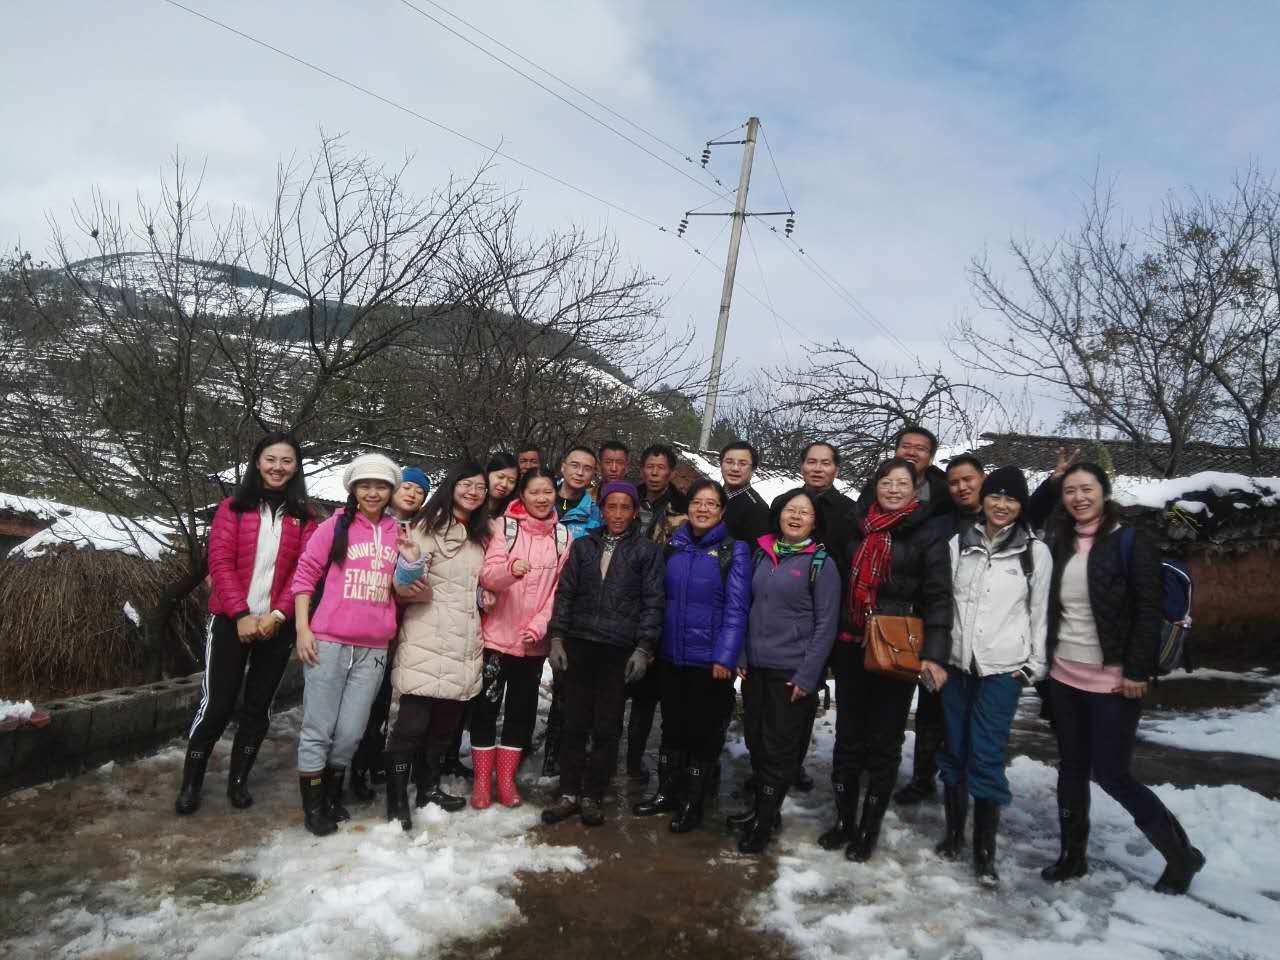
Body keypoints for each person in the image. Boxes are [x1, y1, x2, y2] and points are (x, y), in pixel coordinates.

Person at [1039, 463, 1205, 895]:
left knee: (1113, 774)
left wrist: (1136, 670)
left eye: (1086, 489)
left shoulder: (1131, 541)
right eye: (1070, 490)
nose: (1078, 497)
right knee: (1072, 769)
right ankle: (1072, 855)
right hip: (1064, 675)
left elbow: (1148, 611)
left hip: (1113, 681)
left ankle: (1181, 855)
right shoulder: (1058, 541)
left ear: (1105, 493)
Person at [177, 433, 317, 816]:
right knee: (217, 704)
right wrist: (240, 615)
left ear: (296, 467)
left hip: (276, 625)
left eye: (286, 461)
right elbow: (220, 562)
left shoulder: (305, 517)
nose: (278, 467)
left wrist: (278, 615)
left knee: (258, 707)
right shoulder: (233, 508)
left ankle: (238, 781)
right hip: (230, 621)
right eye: (271, 459)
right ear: (257, 462)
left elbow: (303, 572)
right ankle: (191, 782)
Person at [820, 457, 951, 862]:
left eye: (902, 483)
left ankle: (868, 828)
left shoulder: (928, 533)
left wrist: (935, 655)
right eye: (886, 482)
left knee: (885, 742)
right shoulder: (855, 526)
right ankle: (844, 820)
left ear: (915, 489)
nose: (893, 489)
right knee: (848, 738)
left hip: (898, 648)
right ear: (875, 486)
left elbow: (938, 597)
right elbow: (835, 583)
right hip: (852, 642)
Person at [924, 466, 1050, 885]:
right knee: (954, 748)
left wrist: (1033, 665)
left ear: (1021, 505)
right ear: (984, 499)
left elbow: (1040, 613)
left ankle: (984, 852)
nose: (1001, 505)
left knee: (987, 754)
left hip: (1002, 669)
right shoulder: (959, 543)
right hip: (957, 665)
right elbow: (941, 601)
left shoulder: (1034, 552)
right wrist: (936, 656)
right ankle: (953, 835)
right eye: (996, 496)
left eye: (1011, 499)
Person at [290, 453, 403, 837]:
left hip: (374, 647)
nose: (373, 493)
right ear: (353, 489)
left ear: (391, 491)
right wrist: (303, 629)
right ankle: (314, 805)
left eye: (381, 486)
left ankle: (332, 791)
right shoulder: (335, 526)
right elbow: (305, 576)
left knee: (351, 732)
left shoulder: (397, 533)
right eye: (365, 485)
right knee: (318, 727)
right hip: (329, 641)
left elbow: (405, 584)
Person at [541, 481, 665, 828]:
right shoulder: (584, 546)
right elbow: (566, 593)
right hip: (580, 644)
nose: (618, 514)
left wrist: (643, 647)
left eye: (626, 507)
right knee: (574, 722)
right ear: (602, 509)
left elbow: (653, 602)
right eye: (612, 506)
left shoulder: (647, 551)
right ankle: (569, 792)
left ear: (635, 511)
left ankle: (593, 795)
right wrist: (557, 637)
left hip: (618, 648)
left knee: (607, 726)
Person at [633, 479, 751, 833]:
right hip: (672, 655)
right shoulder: (674, 547)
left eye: (711, 503)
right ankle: (667, 792)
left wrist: (726, 657)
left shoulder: (734, 551)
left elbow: (737, 609)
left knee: (704, 732)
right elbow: (657, 600)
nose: (703, 509)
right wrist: (651, 645)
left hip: (710, 662)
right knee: (672, 727)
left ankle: (693, 802)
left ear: (722, 511)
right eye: (697, 502)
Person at [382, 462, 493, 831]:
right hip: (428, 634)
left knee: (445, 725)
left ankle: (427, 788)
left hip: (465, 637)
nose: (473, 492)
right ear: (452, 486)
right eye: (466, 484)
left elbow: (476, 582)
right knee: (412, 722)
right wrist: (415, 573)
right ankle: (397, 798)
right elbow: (404, 583)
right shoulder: (427, 527)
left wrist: (485, 594)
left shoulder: (480, 535)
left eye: (480, 487)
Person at [732, 488, 840, 853]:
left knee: (778, 749)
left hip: (791, 671)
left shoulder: (821, 563)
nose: (795, 517)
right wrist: (742, 653)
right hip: (756, 667)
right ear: (778, 514)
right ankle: (763, 810)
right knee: (756, 740)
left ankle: (763, 824)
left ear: (814, 522)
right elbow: (747, 607)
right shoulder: (763, 554)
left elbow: (826, 625)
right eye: (790, 510)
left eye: (804, 512)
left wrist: (809, 676)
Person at [472, 468, 573, 809]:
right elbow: (488, 575)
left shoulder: (564, 538)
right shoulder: (503, 527)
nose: (542, 498)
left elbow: (560, 592)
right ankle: (482, 781)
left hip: (532, 644)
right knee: (485, 708)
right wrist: (509, 572)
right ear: (522, 495)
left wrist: (540, 627)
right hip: (496, 639)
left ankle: (506, 781)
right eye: (534, 492)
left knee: (521, 712)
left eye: (548, 492)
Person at [896, 454, 987, 808]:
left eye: (968, 480)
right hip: (941, 630)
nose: (961, 487)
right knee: (931, 712)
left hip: (986, 640)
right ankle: (923, 778)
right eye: (954, 482)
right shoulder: (940, 523)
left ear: (982, 479)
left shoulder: (1001, 516)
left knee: (974, 719)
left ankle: (966, 782)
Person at [349, 467, 431, 802]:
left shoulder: (420, 531)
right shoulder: (370, 525)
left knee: (381, 700)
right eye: (407, 486)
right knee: (361, 702)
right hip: (362, 620)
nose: (412, 494)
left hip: (397, 624)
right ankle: (352, 767)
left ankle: (371, 760)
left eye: (419, 491)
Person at [790, 440, 858, 793]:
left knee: (807, 691)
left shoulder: (849, 512)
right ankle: (772, 763)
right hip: (787, 614)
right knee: (782, 693)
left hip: (827, 614)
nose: (817, 468)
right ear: (802, 466)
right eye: (811, 462)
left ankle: (794, 764)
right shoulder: (785, 503)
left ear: (836, 469)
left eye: (825, 463)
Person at [625, 443, 688, 782]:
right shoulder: (627, 499)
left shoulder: (682, 507)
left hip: (659, 599)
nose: (654, 473)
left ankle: (635, 761)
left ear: (670, 472)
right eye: (650, 466)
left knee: (646, 695)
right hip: (622, 600)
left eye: (661, 467)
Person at [541, 446, 604, 778]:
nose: (580, 472)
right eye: (574, 465)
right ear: (562, 466)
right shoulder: (539, 498)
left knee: (566, 686)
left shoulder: (595, 515)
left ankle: (555, 754)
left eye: (587, 468)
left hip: (569, 607)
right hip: (528, 603)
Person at [857, 426, 953, 521]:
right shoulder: (873, 487)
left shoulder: (945, 495)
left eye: (920, 448)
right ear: (896, 452)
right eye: (905, 446)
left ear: (931, 458)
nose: (911, 452)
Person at [719, 440, 770, 544]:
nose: (735, 468)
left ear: (753, 469)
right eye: (729, 462)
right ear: (721, 464)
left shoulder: (758, 509)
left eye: (742, 464)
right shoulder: (712, 495)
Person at [487, 452, 520, 517]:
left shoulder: (515, 512)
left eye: (511, 481)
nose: (504, 484)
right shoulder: (471, 503)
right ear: (488, 474)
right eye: (500, 477)